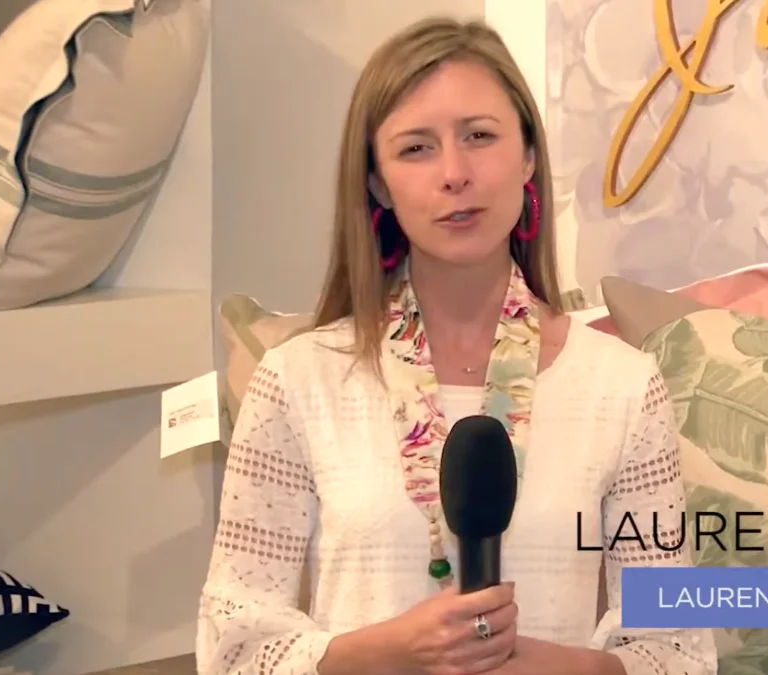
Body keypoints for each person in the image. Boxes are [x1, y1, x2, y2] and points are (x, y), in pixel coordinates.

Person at [195, 15, 717, 675]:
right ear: (377, 182)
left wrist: (543, 663)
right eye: (415, 148)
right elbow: (234, 648)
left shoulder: (622, 386)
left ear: (528, 155)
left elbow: (678, 651)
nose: (454, 172)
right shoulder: (298, 381)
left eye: (479, 136)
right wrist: (391, 649)